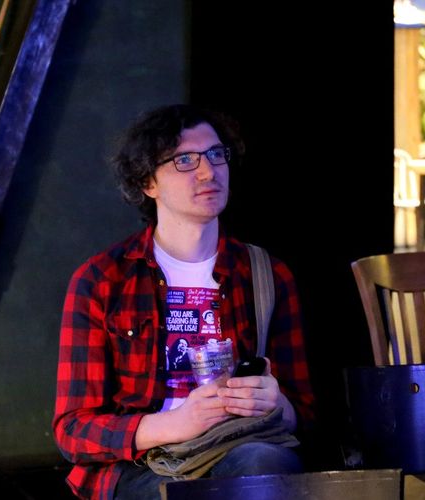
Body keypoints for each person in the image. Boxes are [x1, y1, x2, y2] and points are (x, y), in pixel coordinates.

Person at [52, 104, 315, 499]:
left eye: (215, 154)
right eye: (185, 160)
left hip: (241, 449)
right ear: (148, 183)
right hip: (146, 464)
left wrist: (275, 402)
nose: (208, 171)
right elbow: (73, 430)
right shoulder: (102, 281)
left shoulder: (267, 275)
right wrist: (176, 423)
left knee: (261, 465)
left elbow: (305, 415)